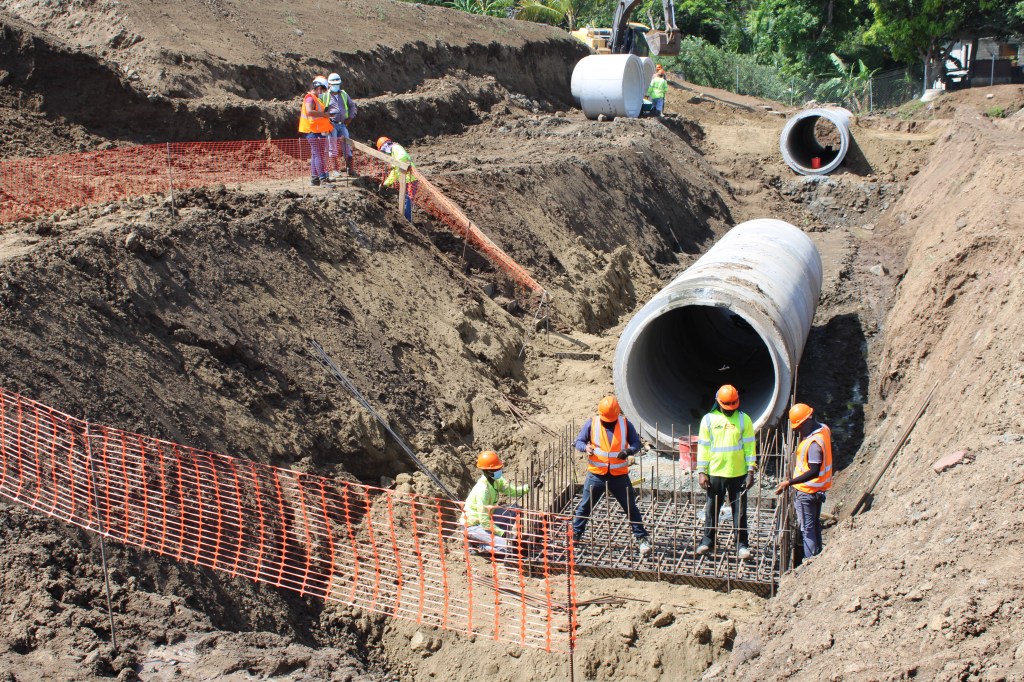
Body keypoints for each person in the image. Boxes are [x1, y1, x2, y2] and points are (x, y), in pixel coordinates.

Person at [571, 396, 652, 557]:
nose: (608, 423)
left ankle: (641, 538)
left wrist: (628, 451)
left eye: (611, 420)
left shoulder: (625, 424)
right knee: (585, 506)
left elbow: (637, 444)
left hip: (619, 476)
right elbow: (578, 441)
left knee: (630, 508)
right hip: (596, 474)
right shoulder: (592, 423)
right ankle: (575, 535)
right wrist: (585, 448)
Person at [696, 384, 756, 559]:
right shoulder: (708, 420)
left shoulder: (744, 420)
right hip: (715, 473)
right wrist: (702, 471)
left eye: (733, 405)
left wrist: (751, 471)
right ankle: (708, 541)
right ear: (719, 403)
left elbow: (750, 447)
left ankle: (742, 545)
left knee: (740, 511)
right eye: (727, 406)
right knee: (712, 509)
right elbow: (703, 448)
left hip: (738, 474)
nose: (730, 409)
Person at [775, 403, 833, 560]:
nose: (798, 430)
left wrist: (790, 482)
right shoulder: (824, 429)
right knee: (814, 525)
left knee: (807, 529)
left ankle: (809, 561)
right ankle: (817, 556)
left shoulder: (813, 444)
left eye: (800, 426)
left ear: (809, 419)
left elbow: (814, 470)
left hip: (807, 492)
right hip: (819, 489)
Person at [462, 450, 537, 557]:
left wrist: (528, 487)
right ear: (487, 471)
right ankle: (481, 545)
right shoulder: (483, 490)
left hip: (488, 517)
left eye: (498, 468)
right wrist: (503, 533)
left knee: (515, 510)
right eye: (495, 469)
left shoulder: (496, 480)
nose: (499, 471)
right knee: (507, 547)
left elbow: (511, 490)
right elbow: (484, 522)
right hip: (473, 525)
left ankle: (495, 538)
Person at [298, 76, 334, 186]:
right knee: (318, 154)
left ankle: (315, 178)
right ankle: (323, 179)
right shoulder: (310, 98)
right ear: (318, 87)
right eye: (323, 90)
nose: (323, 92)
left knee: (315, 154)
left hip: (315, 130)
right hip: (312, 131)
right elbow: (309, 111)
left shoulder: (315, 98)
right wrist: (325, 114)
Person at [376, 136, 417, 222]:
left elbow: (404, 156)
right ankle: (405, 219)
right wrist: (385, 184)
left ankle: (408, 220)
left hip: (411, 177)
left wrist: (394, 164)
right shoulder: (393, 155)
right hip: (404, 179)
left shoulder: (396, 148)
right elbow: (393, 174)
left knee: (408, 198)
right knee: (404, 198)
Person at [325, 73, 358, 178]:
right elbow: (320, 110)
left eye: (337, 84)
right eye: (334, 84)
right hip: (332, 125)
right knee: (332, 147)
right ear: (329, 84)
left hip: (342, 125)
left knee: (347, 146)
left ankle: (350, 169)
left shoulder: (343, 94)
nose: (336, 86)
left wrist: (350, 118)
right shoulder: (325, 95)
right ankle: (335, 170)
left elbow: (352, 105)